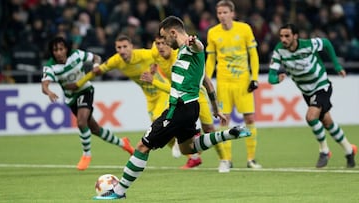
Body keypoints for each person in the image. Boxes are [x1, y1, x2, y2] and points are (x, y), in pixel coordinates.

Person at [92, 15, 251, 200]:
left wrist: (194, 41)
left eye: (164, 37)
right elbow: (207, 83)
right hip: (191, 109)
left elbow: (198, 46)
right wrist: (215, 108)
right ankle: (229, 134)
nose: (164, 42)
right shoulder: (185, 56)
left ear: (173, 32)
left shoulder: (191, 47)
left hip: (179, 108)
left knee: (143, 146)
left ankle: (118, 192)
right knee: (188, 149)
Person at [268, 23, 357, 168]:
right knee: (327, 123)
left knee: (311, 117)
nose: (283, 39)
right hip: (307, 91)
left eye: (287, 36)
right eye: (281, 36)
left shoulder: (308, 44)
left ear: (295, 36)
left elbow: (327, 43)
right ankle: (349, 150)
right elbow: (271, 77)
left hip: (321, 85)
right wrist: (277, 79)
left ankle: (324, 151)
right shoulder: (279, 51)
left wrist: (337, 66)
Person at [41, 36, 135, 171]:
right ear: (52, 52)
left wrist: (96, 66)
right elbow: (44, 85)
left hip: (85, 90)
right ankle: (123, 143)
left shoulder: (76, 55)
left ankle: (86, 155)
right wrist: (48, 91)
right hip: (70, 98)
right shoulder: (51, 67)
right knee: (95, 129)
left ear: (66, 49)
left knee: (81, 122)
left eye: (61, 49)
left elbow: (96, 57)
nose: (59, 52)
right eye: (55, 50)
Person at [141, 35, 230, 172]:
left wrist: (153, 81)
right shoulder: (155, 52)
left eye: (163, 43)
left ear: (170, 44)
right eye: (157, 43)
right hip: (178, 97)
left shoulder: (182, 55)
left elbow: (205, 80)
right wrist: (153, 66)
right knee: (159, 121)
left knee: (209, 129)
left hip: (196, 95)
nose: (160, 47)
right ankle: (192, 155)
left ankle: (224, 160)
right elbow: (155, 59)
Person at [205, 0, 262, 170]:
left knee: (249, 118)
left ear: (232, 13)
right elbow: (211, 59)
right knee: (224, 120)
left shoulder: (244, 29)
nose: (222, 16)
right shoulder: (213, 33)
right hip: (223, 83)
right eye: (219, 13)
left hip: (243, 82)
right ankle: (227, 159)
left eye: (225, 12)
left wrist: (255, 77)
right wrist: (206, 78)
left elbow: (253, 54)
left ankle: (251, 159)